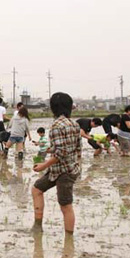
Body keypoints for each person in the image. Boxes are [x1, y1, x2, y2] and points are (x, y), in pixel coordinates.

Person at [32, 92, 81, 236]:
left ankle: (69, 239)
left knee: (65, 205)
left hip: (65, 172)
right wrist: (50, 150)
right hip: (62, 169)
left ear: (53, 107)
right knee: (36, 189)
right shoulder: (74, 124)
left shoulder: (56, 126)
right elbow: (76, 148)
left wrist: (43, 165)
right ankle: (37, 226)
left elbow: (61, 152)